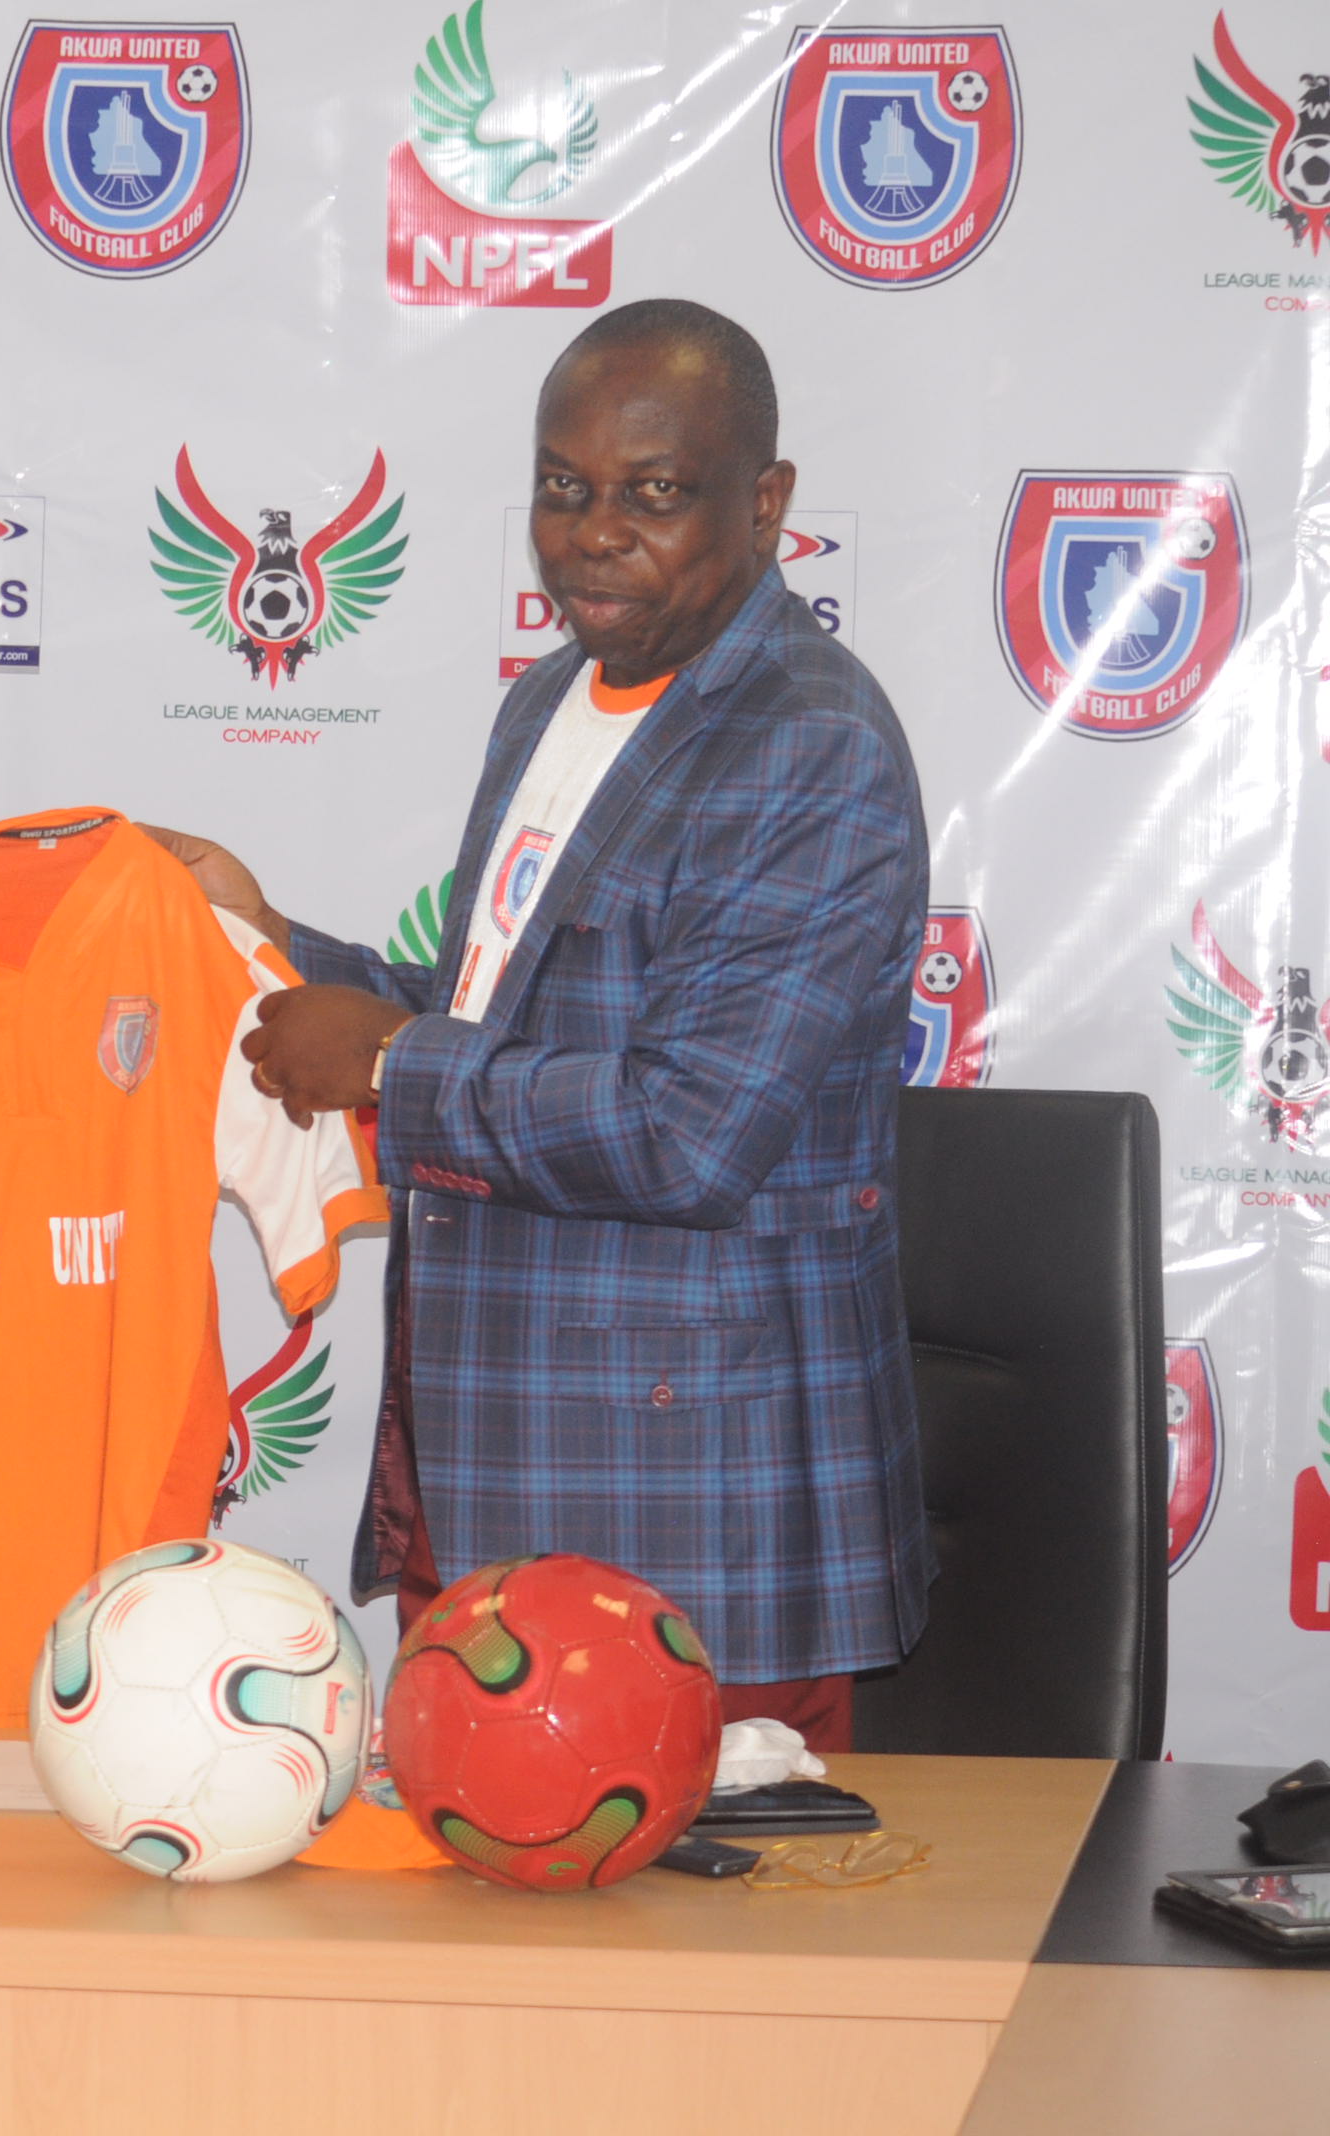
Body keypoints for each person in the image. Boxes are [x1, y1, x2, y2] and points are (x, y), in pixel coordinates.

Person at [163, 300, 929, 1749]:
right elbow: (500, 1019)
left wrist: (383, 1064)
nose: (592, 533)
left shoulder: (807, 743)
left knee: (717, 1973)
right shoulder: (551, 702)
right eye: (564, 489)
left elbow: (688, 1134)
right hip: (490, 1464)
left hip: (690, 1525)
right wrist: (265, 937)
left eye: (654, 494)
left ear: (764, 504)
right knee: (484, 1968)